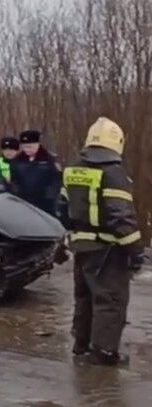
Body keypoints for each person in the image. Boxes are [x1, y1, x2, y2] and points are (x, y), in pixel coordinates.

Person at [58, 117, 144, 366]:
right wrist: (136, 251)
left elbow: (62, 208)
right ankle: (104, 353)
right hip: (108, 248)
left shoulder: (73, 169)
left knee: (84, 297)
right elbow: (121, 217)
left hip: (81, 245)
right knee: (110, 300)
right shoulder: (113, 173)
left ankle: (81, 346)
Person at [9, 130, 61, 215]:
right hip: (24, 202)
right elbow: (14, 179)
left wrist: (50, 196)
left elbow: (56, 180)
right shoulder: (18, 161)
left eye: (30, 147)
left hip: (44, 202)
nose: (27, 150)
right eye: (24, 147)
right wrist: (16, 192)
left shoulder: (48, 159)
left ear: (37, 144)